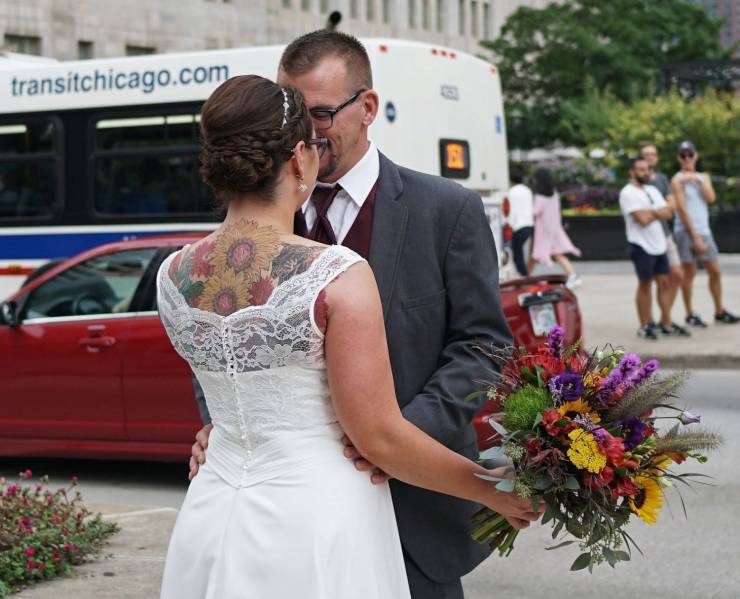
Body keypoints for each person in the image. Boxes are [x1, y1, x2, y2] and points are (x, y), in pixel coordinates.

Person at [183, 32, 526, 599]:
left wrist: (397, 441)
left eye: (319, 113)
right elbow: (225, 336)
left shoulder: (447, 210)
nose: (305, 133)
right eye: (291, 118)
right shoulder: (246, 230)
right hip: (288, 523)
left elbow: (484, 347)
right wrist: (223, 423)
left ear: (367, 108)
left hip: (420, 514)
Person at [671, 141, 738, 326]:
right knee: (689, 272)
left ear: (695, 155)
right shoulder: (676, 180)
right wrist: (696, 237)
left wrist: (698, 180)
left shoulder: (703, 177)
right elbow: (682, 210)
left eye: (690, 155)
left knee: (715, 271)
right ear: (679, 158)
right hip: (685, 231)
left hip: (704, 229)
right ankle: (690, 312)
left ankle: (719, 310)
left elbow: (711, 198)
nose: (687, 158)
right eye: (683, 155)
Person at [638, 142, 690, 336]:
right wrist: (661, 211)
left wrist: (660, 211)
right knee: (649, 281)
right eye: (646, 155)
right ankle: (648, 322)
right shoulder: (639, 183)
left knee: (677, 275)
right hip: (647, 238)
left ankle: (665, 319)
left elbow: (672, 206)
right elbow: (643, 214)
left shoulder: (661, 178)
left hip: (665, 235)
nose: (651, 157)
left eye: (653, 154)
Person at [619, 157, 674, 340]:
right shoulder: (627, 193)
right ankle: (645, 324)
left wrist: (650, 213)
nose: (646, 172)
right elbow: (641, 220)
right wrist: (656, 213)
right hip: (641, 245)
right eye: (641, 169)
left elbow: (668, 212)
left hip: (659, 244)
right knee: (645, 284)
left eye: (647, 169)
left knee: (665, 283)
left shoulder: (652, 189)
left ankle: (664, 322)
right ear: (632, 172)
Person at [529, 168, 582, 288]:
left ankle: (524, 277)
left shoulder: (539, 197)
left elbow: (535, 212)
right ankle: (573, 275)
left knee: (537, 254)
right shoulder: (554, 194)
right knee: (554, 254)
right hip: (555, 228)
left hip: (543, 231)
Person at [507, 166, 534, 277]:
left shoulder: (511, 192)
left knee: (517, 254)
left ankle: (524, 276)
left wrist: (509, 224)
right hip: (529, 224)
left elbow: (511, 210)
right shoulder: (528, 190)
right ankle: (524, 275)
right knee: (521, 253)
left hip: (518, 226)